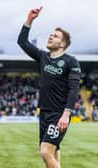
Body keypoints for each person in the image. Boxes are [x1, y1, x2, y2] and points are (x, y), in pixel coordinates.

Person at [17, 6, 81, 168]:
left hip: (58, 114)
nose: (50, 37)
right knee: (51, 153)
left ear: (63, 43)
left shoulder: (71, 61)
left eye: (55, 36)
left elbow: (74, 89)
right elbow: (22, 42)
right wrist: (29, 20)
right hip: (44, 112)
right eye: (51, 34)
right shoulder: (43, 57)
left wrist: (66, 115)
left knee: (45, 151)